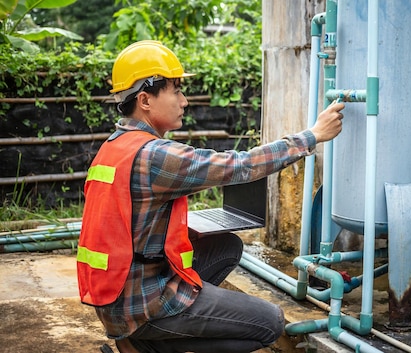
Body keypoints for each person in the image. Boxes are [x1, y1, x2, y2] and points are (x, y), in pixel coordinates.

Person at [76, 40, 345, 353]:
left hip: (117, 296)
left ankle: (144, 341)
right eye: (176, 90)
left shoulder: (114, 146)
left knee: (227, 247)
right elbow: (240, 165)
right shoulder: (153, 156)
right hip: (142, 304)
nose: (185, 101)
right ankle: (152, 347)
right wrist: (312, 136)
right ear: (145, 99)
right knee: (270, 322)